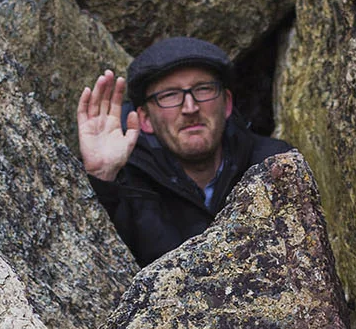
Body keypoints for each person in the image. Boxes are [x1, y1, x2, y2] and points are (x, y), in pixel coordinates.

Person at [76, 36, 289, 266]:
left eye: (203, 89)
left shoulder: (273, 165)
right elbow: (91, 267)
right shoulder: (127, 185)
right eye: (169, 95)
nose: (190, 108)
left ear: (227, 103)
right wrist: (100, 180)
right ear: (145, 118)